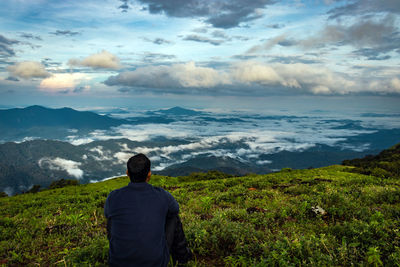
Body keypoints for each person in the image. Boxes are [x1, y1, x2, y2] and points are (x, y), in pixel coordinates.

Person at [104, 153, 192, 266]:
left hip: (117, 263)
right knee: (173, 218)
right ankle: (182, 258)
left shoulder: (113, 196)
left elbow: (108, 216)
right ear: (149, 174)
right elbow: (175, 209)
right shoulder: (162, 195)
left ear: (127, 173)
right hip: (155, 263)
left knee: (112, 219)